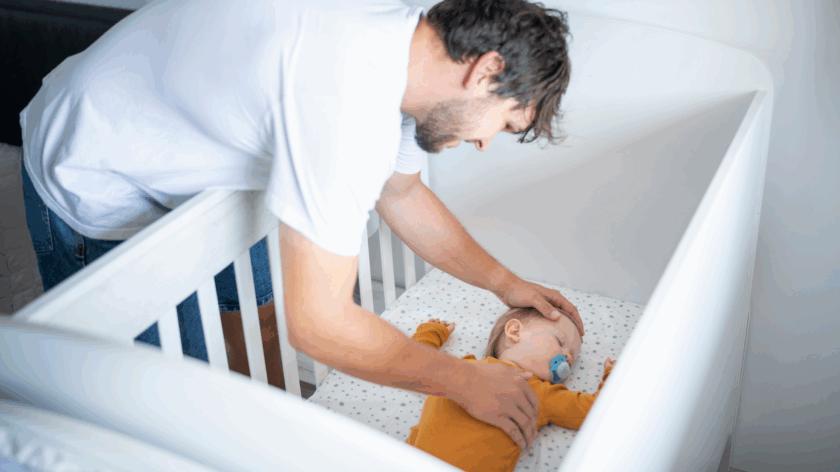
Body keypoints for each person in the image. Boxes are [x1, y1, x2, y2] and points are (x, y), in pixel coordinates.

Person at [19, 0, 579, 449]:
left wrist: (506, 284)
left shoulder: (406, 53)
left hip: (201, 156)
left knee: (253, 311)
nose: (483, 144)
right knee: (146, 392)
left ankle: (254, 425)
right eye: (502, 123)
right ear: (487, 71)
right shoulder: (344, 101)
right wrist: (462, 379)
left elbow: (403, 192)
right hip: (94, 158)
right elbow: (319, 324)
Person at [406, 313, 614, 471]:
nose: (567, 357)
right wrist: (433, 331)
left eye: (572, 357)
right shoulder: (464, 368)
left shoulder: (541, 393)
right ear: (515, 332)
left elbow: (590, 412)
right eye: (560, 343)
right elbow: (415, 363)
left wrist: (613, 379)